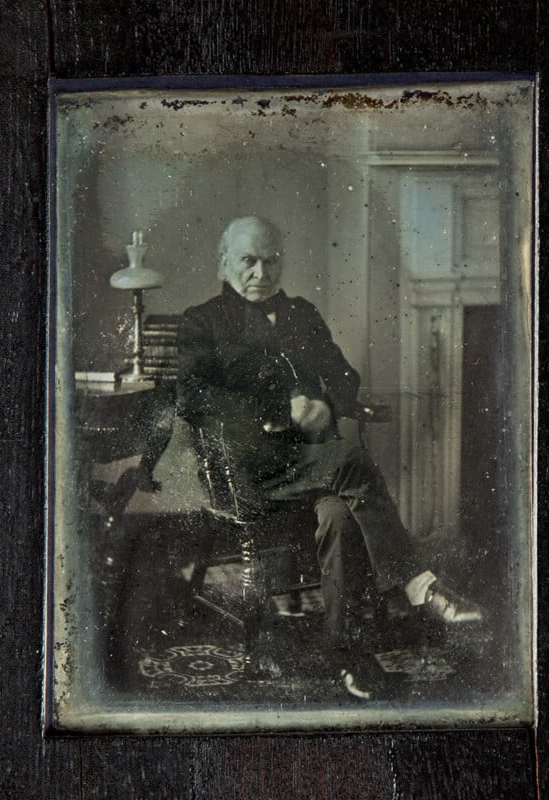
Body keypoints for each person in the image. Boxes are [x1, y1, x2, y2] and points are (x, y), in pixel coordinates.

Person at [176, 216, 483, 698]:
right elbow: (194, 398)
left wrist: (328, 405)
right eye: (248, 261)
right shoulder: (203, 321)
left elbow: (343, 376)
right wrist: (281, 412)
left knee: (340, 516)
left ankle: (348, 657)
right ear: (223, 262)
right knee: (352, 462)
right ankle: (417, 584)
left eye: (270, 261)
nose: (261, 273)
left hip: (316, 465)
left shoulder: (301, 314)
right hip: (248, 471)